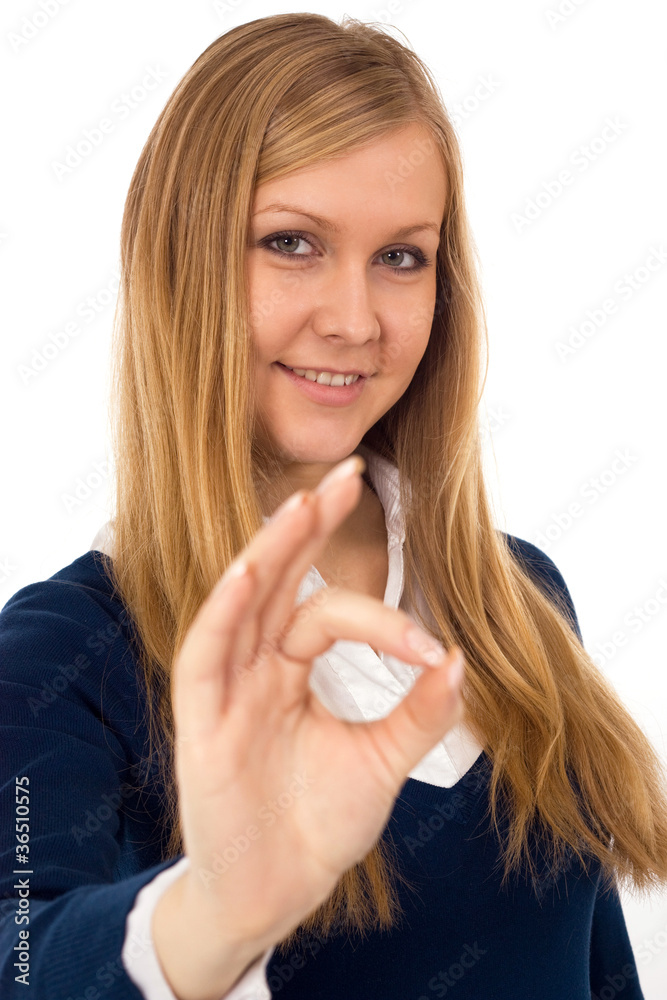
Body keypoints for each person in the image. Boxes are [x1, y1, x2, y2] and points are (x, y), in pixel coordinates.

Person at [1, 11, 666, 1000]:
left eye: (401, 256)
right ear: (178, 261)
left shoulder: (518, 593)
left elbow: (592, 967)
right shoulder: (63, 654)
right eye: (292, 242)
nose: (354, 320)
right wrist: (219, 909)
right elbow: (21, 955)